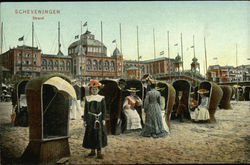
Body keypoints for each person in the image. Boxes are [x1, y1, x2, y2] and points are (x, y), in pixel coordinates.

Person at [82, 80, 107, 159]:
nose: (94, 90)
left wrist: (103, 119)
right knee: (91, 133)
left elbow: (104, 109)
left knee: (98, 134)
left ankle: (99, 152)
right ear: (90, 89)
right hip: (90, 119)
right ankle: (92, 151)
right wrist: (85, 120)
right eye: (93, 89)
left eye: (96, 89)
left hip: (99, 118)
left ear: (98, 89)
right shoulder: (88, 98)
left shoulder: (101, 98)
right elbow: (86, 110)